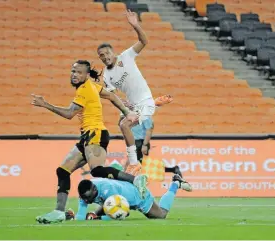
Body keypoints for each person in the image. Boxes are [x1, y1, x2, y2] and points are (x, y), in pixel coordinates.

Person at [31, 60, 148, 224]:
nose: (75, 75)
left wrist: (46, 104)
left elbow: (69, 113)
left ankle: (135, 179)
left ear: (86, 75)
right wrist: (127, 111)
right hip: (87, 135)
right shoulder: (92, 86)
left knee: (97, 170)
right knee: (62, 171)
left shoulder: (84, 90)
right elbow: (111, 95)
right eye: (73, 71)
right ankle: (58, 212)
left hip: (95, 133)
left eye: (79, 72)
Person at [97, 10, 168, 176]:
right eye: (101, 55)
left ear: (112, 52)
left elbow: (144, 41)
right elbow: (113, 96)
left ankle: (134, 164)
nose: (105, 57)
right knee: (121, 123)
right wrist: (124, 103)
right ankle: (153, 104)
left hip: (144, 102)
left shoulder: (126, 56)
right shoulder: (106, 75)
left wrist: (136, 25)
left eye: (107, 53)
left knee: (125, 124)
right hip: (135, 105)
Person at [74, 174, 192, 221]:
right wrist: (75, 218)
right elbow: (80, 216)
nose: (86, 201)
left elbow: (123, 213)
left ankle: (175, 184)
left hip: (138, 196)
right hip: (116, 196)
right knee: (101, 210)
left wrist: (97, 219)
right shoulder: (86, 190)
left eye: (88, 198)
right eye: (84, 198)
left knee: (161, 215)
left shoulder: (108, 190)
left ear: (95, 189)